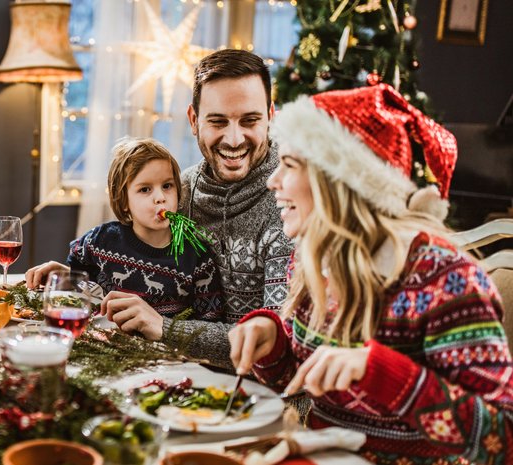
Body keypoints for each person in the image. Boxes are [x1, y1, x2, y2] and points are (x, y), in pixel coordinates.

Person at [229, 85, 512, 463]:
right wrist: (272, 341)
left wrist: (381, 371)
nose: (273, 181)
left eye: (291, 165)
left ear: (341, 183)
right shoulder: (318, 257)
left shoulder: (445, 280)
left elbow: (501, 440)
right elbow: (302, 380)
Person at [82, 50, 293, 369]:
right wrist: (72, 276)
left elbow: (277, 346)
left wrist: (166, 329)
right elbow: (121, 259)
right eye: (217, 121)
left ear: (270, 117)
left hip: (266, 399)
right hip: (173, 378)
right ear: (194, 120)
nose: (234, 139)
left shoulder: (293, 205)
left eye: (249, 121)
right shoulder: (177, 191)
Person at [26, 138, 223, 323]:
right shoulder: (100, 241)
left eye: (167, 186)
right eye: (145, 189)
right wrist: (65, 276)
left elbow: (206, 322)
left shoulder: (197, 259)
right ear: (124, 201)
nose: (160, 198)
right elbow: (87, 291)